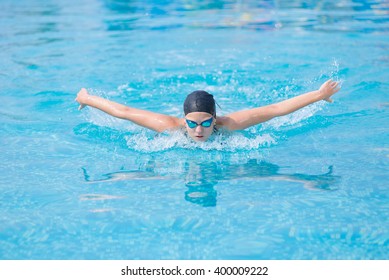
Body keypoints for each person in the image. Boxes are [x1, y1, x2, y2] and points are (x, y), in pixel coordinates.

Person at [75, 79, 340, 142]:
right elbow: (123, 110)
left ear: (215, 118)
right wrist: (86, 98)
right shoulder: (168, 126)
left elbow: (275, 110)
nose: (199, 130)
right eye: (191, 124)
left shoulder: (230, 124)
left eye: (205, 123)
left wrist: (319, 95)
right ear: (183, 120)